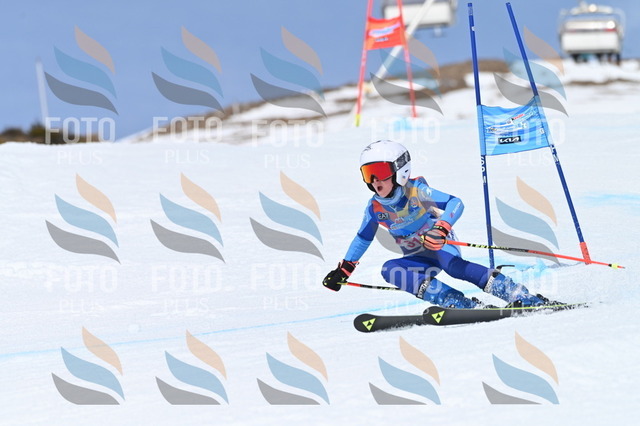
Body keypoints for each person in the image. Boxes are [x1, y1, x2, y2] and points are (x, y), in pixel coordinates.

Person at [322, 139, 546, 308]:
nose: (374, 181)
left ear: (400, 171)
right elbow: (362, 239)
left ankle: (518, 295)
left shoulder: (416, 191)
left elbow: (455, 203)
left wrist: (441, 228)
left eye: (380, 172)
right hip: (418, 257)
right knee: (391, 269)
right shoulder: (375, 208)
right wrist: (344, 270)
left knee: (452, 266)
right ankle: (455, 302)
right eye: (368, 174)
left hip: (441, 245)